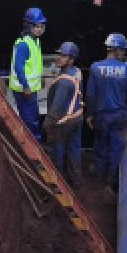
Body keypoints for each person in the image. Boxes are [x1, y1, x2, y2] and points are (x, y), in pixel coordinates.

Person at [85, 32, 127, 190]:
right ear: (117, 50)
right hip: (119, 115)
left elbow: (90, 95)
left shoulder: (95, 67)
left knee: (100, 144)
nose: (124, 54)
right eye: (123, 51)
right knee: (116, 147)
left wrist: (90, 114)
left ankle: (99, 175)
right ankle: (111, 181)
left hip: (101, 115)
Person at [44, 41, 83, 182]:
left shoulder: (63, 82)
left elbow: (57, 106)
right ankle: (76, 179)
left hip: (62, 122)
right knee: (74, 149)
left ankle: (57, 181)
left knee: (57, 151)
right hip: (77, 117)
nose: (58, 58)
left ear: (71, 60)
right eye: (59, 54)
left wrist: (48, 122)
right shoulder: (76, 72)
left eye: (63, 56)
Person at [9, 7, 46, 141]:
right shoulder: (24, 44)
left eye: (42, 26)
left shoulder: (35, 41)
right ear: (29, 25)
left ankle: (35, 145)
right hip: (24, 90)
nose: (40, 29)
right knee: (30, 121)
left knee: (33, 118)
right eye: (37, 26)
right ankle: (34, 149)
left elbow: (33, 65)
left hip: (30, 89)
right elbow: (19, 67)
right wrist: (25, 86)